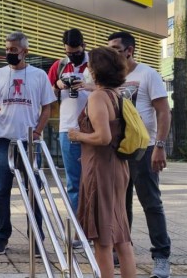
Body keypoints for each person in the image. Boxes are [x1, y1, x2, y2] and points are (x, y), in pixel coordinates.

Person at [67, 46, 137, 278]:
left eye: (89, 65)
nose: (86, 69)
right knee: (121, 235)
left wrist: (78, 136)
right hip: (118, 167)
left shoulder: (98, 97)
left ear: (96, 70)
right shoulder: (117, 94)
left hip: (101, 170)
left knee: (103, 238)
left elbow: (103, 136)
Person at [107, 31, 172, 278]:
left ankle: (162, 257)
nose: (111, 52)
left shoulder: (147, 74)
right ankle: (122, 251)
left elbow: (164, 112)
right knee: (120, 205)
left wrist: (160, 145)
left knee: (151, 203)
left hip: (144, 149)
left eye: (115, 48)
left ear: (129, 50)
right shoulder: (112, 78)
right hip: (118, 150)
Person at [0, 31, 56, 255]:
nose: (9, 53)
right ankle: (2, 236)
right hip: (4, 139)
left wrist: (37, 131)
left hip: (29, 141)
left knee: (33, 189)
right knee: (1, 190)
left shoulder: (38, 75)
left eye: (13, 50)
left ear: (25, 51)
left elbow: (48, 107)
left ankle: (36, 236)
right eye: (7, 49)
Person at [47, 28, 92, 248]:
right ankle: (79, 231)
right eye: (68, 51)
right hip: (67, 129)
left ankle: (97, 229)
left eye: (76, 51)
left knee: (94, 182)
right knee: (74, 184)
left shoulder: (95, 62)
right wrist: (58, 85)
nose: (72, 55)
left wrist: (85, 85)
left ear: (83, 45)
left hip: (94, 128)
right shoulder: (60, 65)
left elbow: (111, 87)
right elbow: (47, 95)